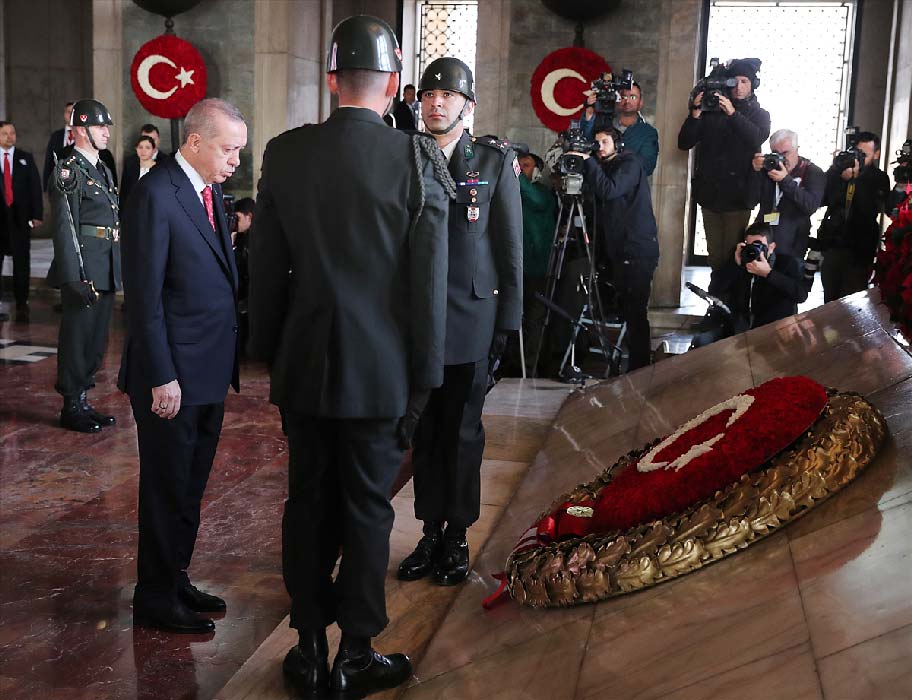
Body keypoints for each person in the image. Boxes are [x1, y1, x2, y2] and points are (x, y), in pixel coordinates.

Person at [248, 16, 450, 699]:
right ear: (393, 86)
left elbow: (266, 271)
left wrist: (268, 354)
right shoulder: (415, 158)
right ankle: (355, 654)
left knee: (306, 502)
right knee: (367, 509)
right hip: (382, 371)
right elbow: (427, 284)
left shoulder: (285, 153)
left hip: (305, 365)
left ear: (331, 80)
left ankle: (308, 646)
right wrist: (425, 377)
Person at [117, 98, 246, 634]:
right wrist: (161, 376)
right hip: (171, 377)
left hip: (208, 370)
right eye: (228, 149)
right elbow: (144, 298)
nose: (235, 160)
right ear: (194, 142)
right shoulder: (155, 194)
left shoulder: (208, 191)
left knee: (190, 487)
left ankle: (175, 578)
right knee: (166, 489)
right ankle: (154, 595)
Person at [397, 57, 523, 588]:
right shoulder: (404, 155)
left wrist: (508, 325)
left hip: (472, 317)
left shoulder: (492, 161)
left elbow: (510, 247)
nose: (435, 103)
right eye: (428, 95)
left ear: (467, 106)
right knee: (424, 432)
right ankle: (429, 531)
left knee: (463, 433)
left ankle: (457, 534)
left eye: (447, 95)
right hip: (418, 320)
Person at [48, 99, 120, 433]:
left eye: (106, 127)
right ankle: (71, 405)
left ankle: (83, 400)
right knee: (77, 337)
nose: (106, 133)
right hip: (84, 267)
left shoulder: (102, 168)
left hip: (105, 263)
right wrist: (73, 275)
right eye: (100, 127)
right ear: (80, 129)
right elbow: (66, 227)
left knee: (95, 339)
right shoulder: (68, 169)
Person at [577, 127, 659, 371]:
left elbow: (610, 190)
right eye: (596, 142)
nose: (599, 147)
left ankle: (639, 367)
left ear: (618, 144)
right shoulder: (604, 166)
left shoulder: (630, 164)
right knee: (624, 309)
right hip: (618, 251)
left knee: (635, 312)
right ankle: (624, 364)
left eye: (605, 141)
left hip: (636, 250)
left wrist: (588, 162)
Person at [678, 58, 771, 274]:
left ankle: (732, 293)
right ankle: (717, 292)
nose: (738, 87)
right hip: (710, 194)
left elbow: (756, 137)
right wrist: (695, 114)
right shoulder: (711, 111)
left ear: (753, 85)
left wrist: (732, 114)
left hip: (739, 196)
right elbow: (684, 143)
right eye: (734, 81)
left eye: (744, 81)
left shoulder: (760, 114)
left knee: (733, 254)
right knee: (715, 255)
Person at [818, 131, 891, 302]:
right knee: (829, 300)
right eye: (857, 153)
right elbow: (821, 200)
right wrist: (835, 171)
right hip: (834, 243)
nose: (859, 158)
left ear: (876, 154)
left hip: (859, 249)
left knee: (853, 301)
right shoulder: (840, 172)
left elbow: (869, 209)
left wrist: (855, 180)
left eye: (864, 155)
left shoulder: (879, 178)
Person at [709, 221, 808, 331]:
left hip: (773, 330)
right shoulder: (741, 261)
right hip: (740, 329)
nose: (754, 251)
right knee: (704, 338)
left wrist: (769, 273)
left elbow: (801, 295)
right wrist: (735, 265)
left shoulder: (786, 264)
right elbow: (713, 291)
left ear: (771, 247)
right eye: (750, 246)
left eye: (760, 246)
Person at [746, 128, 825, 259]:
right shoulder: (768, 168)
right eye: (776, 153)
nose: (782, 158)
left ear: (797, 150)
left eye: (785, 153)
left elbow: (810, 206)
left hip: (793, 244)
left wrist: (785, 180)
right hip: (764, 239)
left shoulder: (812, 172)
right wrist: (754, 172)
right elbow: (750, 201)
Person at [516, 150, 556, 373]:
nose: (522, 170)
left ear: (538, 171)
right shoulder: (513, 191)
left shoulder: (542, 193)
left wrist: (513, 170)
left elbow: (534, 198)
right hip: (515, 266)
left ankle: (531, 364)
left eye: (527, 166)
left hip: (536, 267)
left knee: (534, 317)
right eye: (519, 165)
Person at [0, 120, 43, 323]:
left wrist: (37, 214)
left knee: (21, 262)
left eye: (13, 133)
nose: (10, 136)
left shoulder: (25, 158)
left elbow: (35, 187)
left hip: (20, 219)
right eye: (5, 133)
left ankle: (21, 302)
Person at [614, 81, 659, 177]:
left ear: (641, 103)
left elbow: (647, 167)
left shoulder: (648, 133)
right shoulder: (605, 126)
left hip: (630, 184)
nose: (627, 101)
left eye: (633, 97)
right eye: (623, 97)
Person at [121, 124, 169, 204]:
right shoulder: (130, 162)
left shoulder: (167, 162)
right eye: (144, 139)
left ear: (159, 140)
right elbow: (124, 192)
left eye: (152, 140)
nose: (148, 142)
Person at [42, 102, 75, 192]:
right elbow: (49, 161)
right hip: (58, 184)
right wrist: (46, 186)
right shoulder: (56, 136)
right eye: (68, 112)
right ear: (64, 114)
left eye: (73, 112)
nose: (71, 115)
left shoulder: (83, 135)